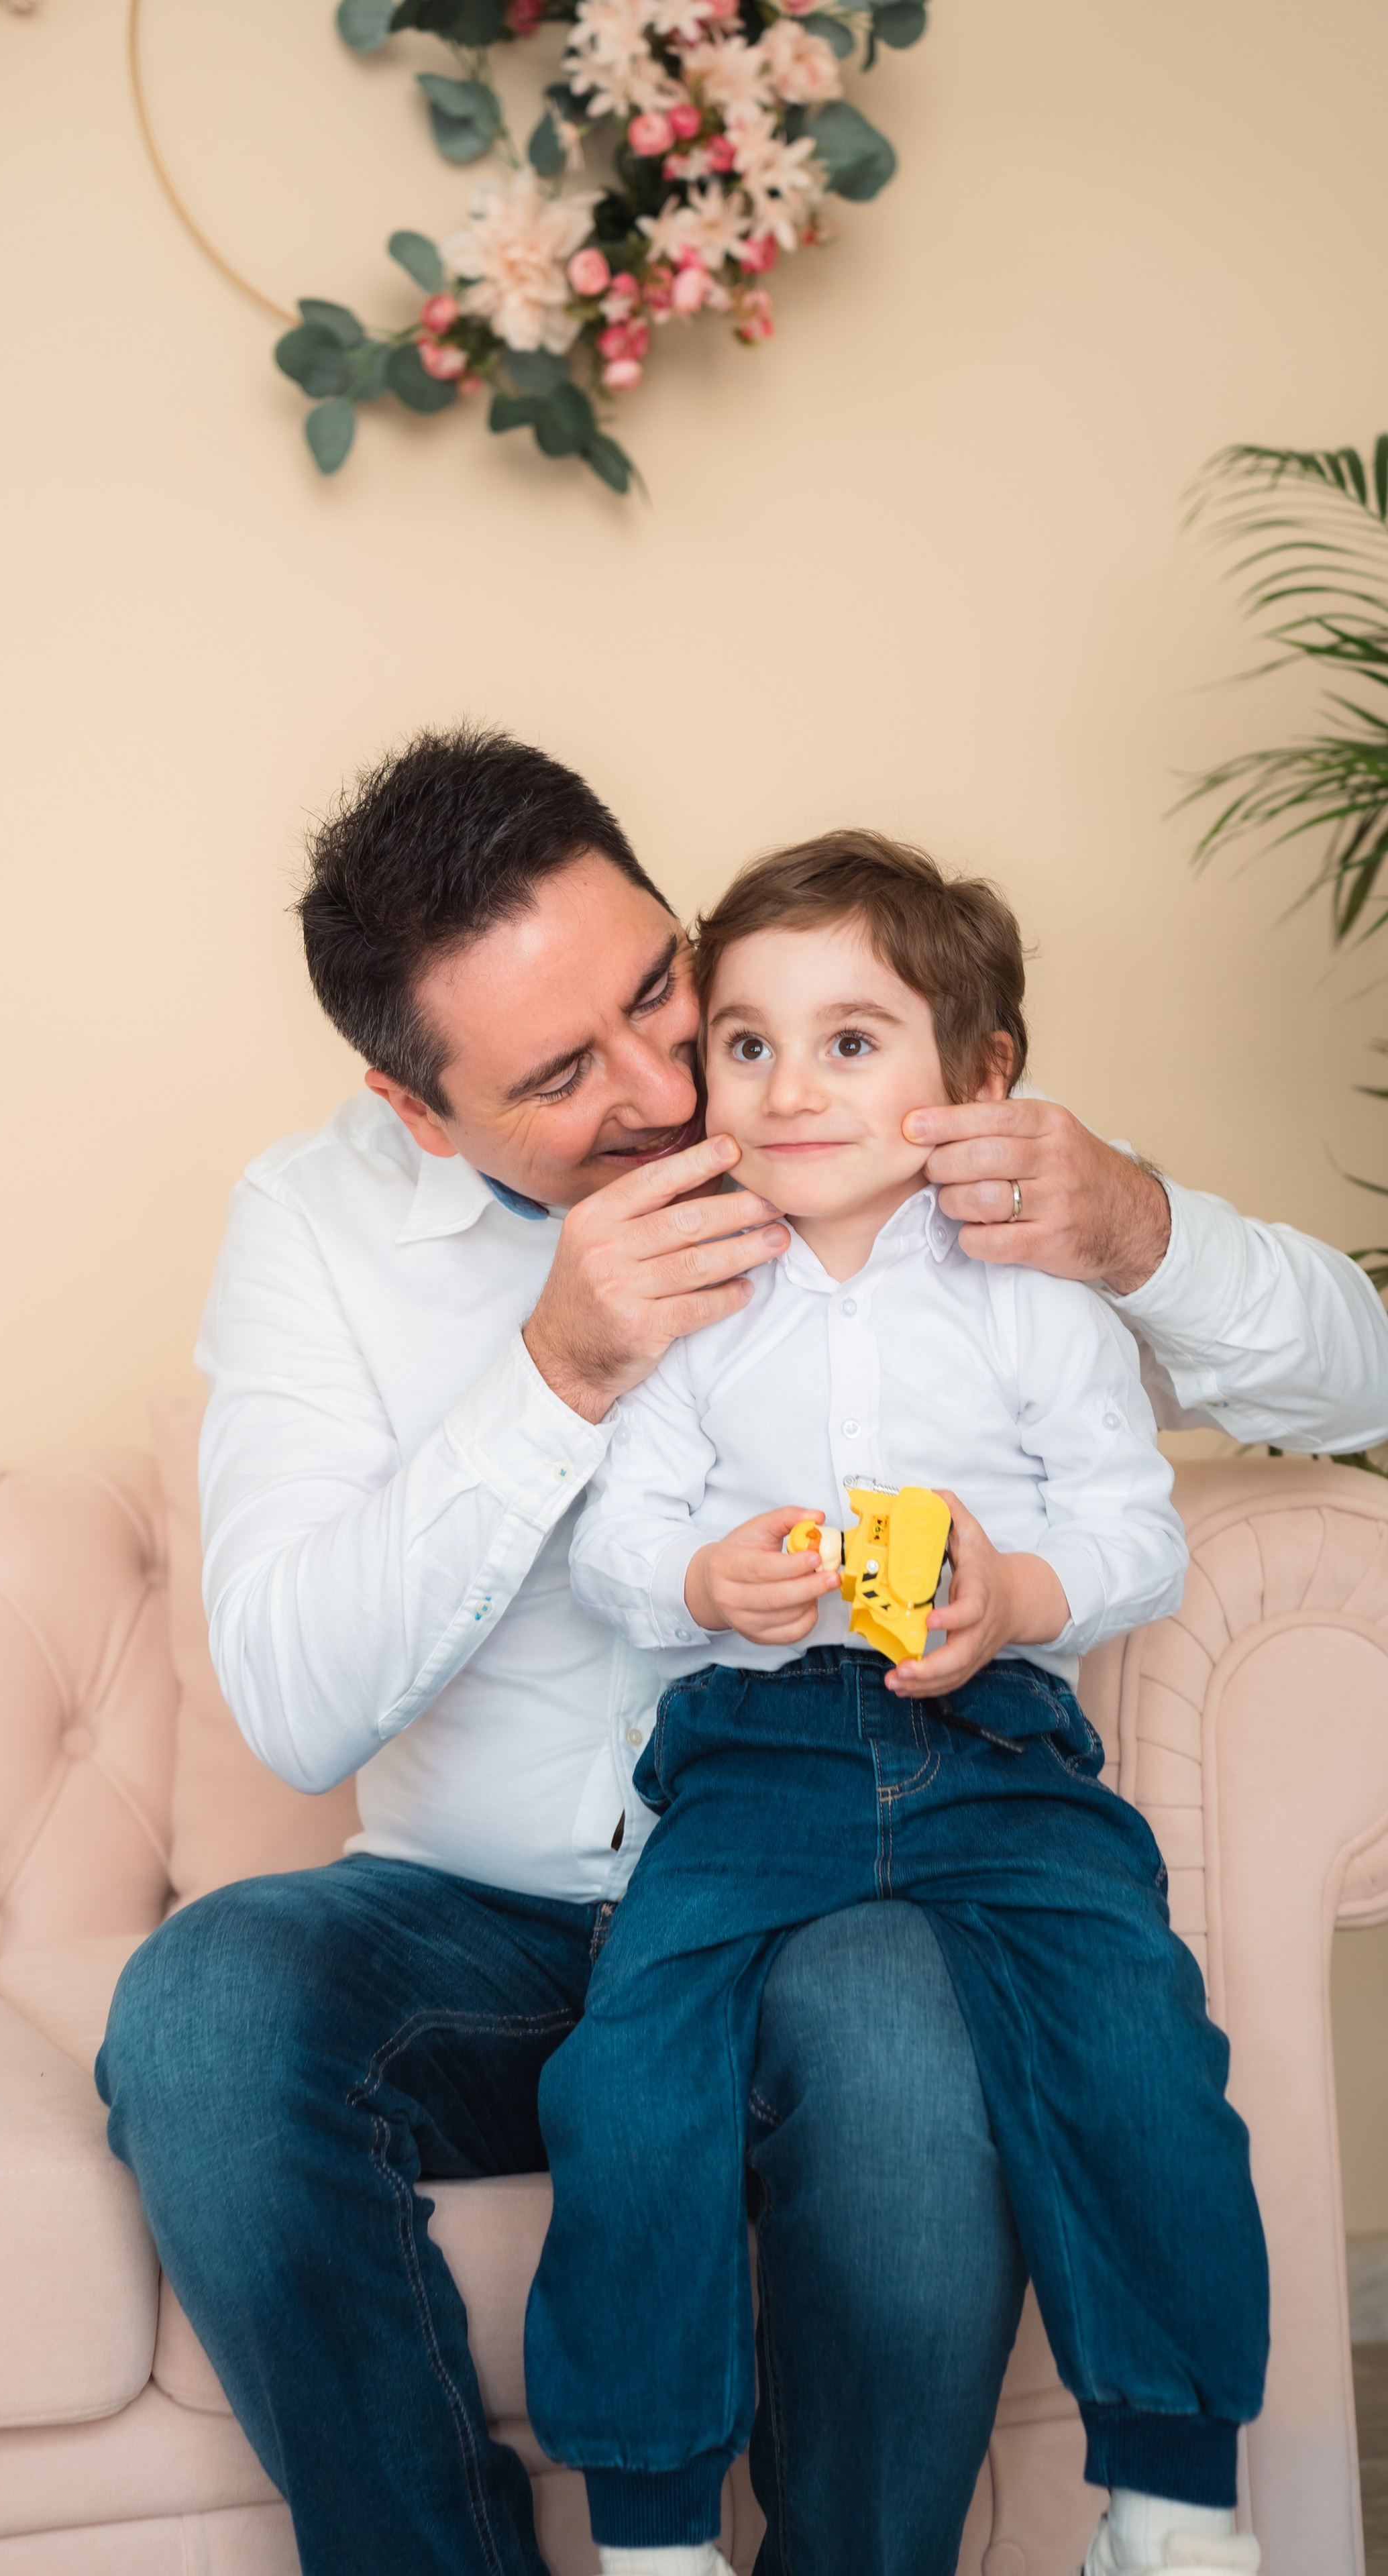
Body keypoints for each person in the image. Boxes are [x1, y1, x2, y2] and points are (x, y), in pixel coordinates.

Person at [95, 728, 1388, 2576]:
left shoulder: (865, 1127)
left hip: (852, 1871)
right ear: (416, 1107)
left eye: (657, 991)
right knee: (207, 2007)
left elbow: (1356, 1376)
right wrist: (558, 1369)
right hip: (487, 1915)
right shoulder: (316, 1228)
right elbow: (296, 1705)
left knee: (902, 2039)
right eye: (561, 1072)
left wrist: (1145, 1230)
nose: (664, 1086)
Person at [525, 831, 1269, 2576]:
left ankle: (1170, 2499)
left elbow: (1129, 1531)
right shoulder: (696, 1301)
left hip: (999, 1749)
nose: (788, 1086)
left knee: (1140, 2038)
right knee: (629, 2065)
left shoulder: (1036, 1296)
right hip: (756, 1759)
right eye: (751, 1042)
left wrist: (1013, 1595)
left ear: (978, 1076)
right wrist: (707, 1583)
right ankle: (650, 2531)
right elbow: (620, 1542)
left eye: (851, 1040)